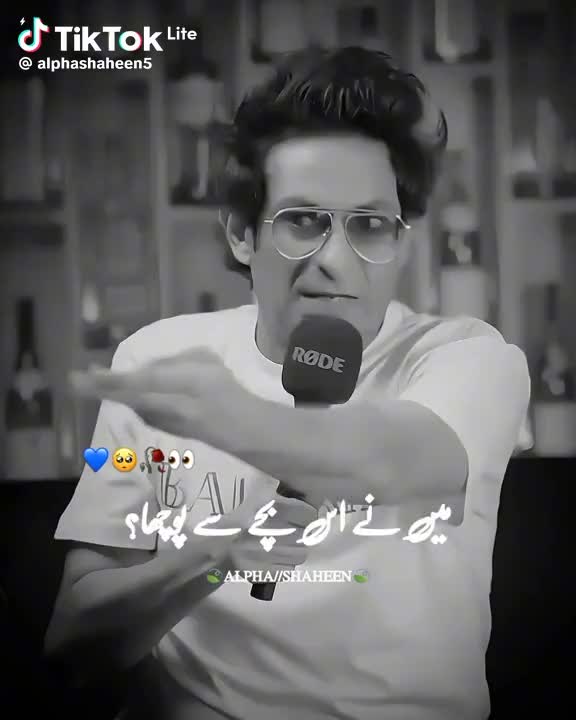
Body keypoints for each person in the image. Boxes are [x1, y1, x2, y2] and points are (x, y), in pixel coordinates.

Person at [45, 47, 530, 720]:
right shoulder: (160, 358)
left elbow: (400, 457)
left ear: (400, 241)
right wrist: (212, 555)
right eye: (303, 221)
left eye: (370, 226)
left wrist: (232, 416)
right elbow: (73, 643)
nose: (335, 259)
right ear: (241, 236)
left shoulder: (469, 358)